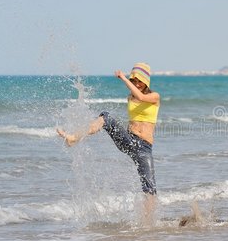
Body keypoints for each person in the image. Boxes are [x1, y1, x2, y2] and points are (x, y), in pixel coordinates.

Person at [57, 62, 160, 223]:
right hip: (129, 141)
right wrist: (123, 133)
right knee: (106, 117)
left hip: (144, 148)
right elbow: (134, 115)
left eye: (139, 81)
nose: (136, 84)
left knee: (150, 189)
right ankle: (73, 138)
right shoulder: (130, 97)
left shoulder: (154, 97)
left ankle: (148, 224)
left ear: (146, 81)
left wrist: (123, 79)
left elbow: (141, 97)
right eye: (134, 81)